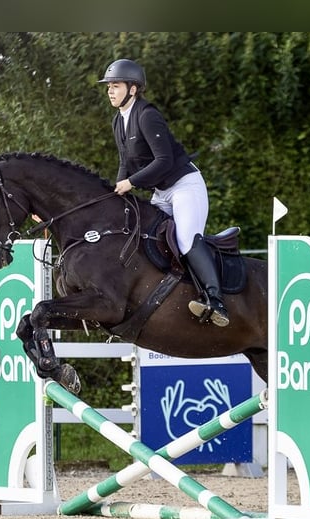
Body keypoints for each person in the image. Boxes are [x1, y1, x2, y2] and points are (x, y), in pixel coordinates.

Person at [98, 58, 229, 328]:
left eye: (116, 86)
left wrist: (131, 183)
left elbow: (164, 161)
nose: (110, 91)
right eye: (109, 86)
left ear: (133, 89)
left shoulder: (147, 115)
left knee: (184, 239)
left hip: (184, 185)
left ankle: (216, 301)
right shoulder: (118, 121)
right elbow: (125, 161)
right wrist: (117, 189)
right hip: (162, 190)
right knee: (143, 232)